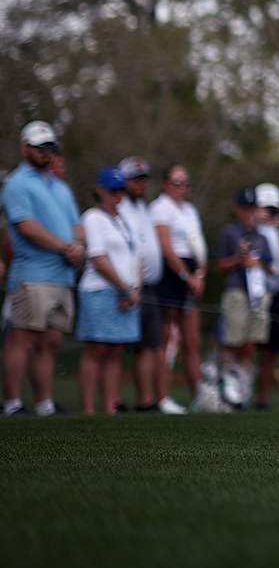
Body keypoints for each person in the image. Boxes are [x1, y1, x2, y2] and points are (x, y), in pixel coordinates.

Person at [4, 122, 83, 416]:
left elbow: (77, 225)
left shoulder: (60, 187)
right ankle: (12, 403)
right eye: (40, 147)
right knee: (21, 339)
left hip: (62, 277)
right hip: (33, 276)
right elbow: (27, 227)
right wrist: (65, 247)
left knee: (50, 344)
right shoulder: (16, 183)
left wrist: (79, 245)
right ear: (25, 148)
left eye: (50, 147)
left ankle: (44, 404)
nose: (46, 152)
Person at [77, 167, 143, 415]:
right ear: (100, 191)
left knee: (116, 351)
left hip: (127, 294)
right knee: (97, 349)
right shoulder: (92, 218)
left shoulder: (126, 219)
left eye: (122, 190)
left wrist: (134, 289)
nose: (119, 195)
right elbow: (98, 258)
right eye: (114, 190)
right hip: (99, 291)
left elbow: (137, 257)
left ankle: (109, 407)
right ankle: (88, 409)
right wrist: (125, 289)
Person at [149, 164, 207, 409]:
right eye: (177, 182)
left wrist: (200, 274)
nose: (182, 187)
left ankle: (199, 398)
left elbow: (199, 245)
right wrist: (186, 276)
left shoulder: (191, 210)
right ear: (164, 184)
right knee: (164, 339)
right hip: (171, 274)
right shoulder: (159, 207)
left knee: (192, 341)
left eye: (186, 182)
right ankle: (162, 397)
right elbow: (165, 247)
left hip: (191, 273)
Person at [116, 157, 168, 411]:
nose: (141, 184)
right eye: (135, 179)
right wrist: (127, 286)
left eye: (143, 179)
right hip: (127, 287)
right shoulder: (119, 209)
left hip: (149, 288)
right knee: (116, 348)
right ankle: (113, 401)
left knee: (149, 345)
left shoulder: (143, 209)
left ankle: (144, 400)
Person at [214, 188, 272, 401]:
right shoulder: (229, 233)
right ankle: (226, 390)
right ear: (236, 209)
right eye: (245, 208)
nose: (249, 212)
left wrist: (258, 262)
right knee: (232, 342)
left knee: (250, 343)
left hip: (257, 295)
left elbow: (272, 267)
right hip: (237, 291)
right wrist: (238, 259)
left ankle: (243, 391)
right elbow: (219, 266)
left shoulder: (261, 236)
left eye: (252, 208)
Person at [253, 184, 279, 410]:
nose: (269, 213)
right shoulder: (252, 228)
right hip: (256, 293)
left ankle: (263, 399)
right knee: (248, 346)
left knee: (270, 351)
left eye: (273, 209)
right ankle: (238, 394)